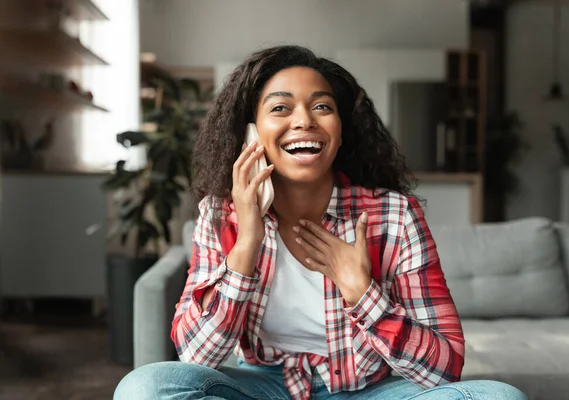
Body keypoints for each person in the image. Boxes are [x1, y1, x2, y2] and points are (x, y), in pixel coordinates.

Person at [115, 45, 527, 400]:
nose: (304, 120)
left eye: (322, 107)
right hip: (263, 387)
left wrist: (362, 293)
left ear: (341, 132)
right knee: (146, 389)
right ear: (251, 134)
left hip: (372, 388)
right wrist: (246, 245)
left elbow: (445, 368)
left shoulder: (393, 214)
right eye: (280, 107)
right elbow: (197, 358)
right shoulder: (219, 215)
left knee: (499, 397)